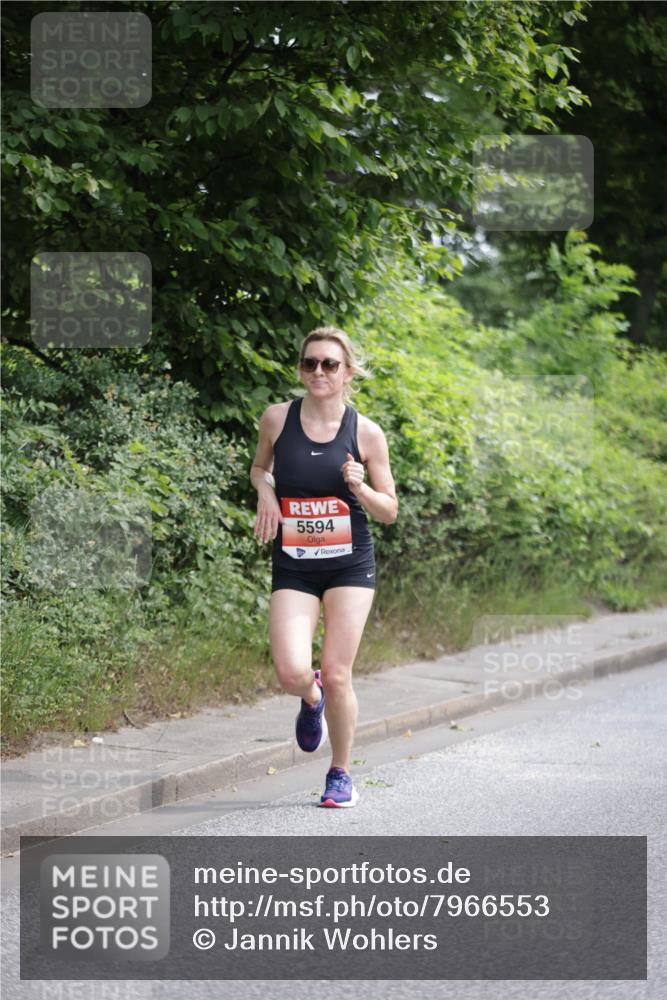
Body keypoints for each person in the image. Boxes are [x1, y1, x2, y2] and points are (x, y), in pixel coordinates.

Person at [250, 325, 398, 807]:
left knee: (337, 672)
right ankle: (309, 699)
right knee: (293, 671)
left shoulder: (366, 432)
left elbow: (389, 509)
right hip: (294, 562)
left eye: (329, 364)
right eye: (310, 363)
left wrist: (359, 488)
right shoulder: (276, 418)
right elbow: (259, 467)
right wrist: (266, 493)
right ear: (300, 369)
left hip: (349, 564)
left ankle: (340, 774)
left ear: (348, 373)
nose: (318, 371)